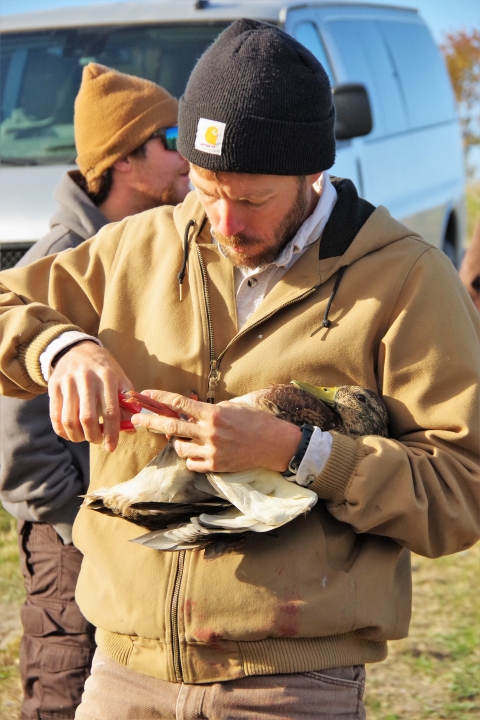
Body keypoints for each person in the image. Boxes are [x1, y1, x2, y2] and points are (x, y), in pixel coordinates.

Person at [0, 20, 478, 720]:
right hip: (122, 671)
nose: (224, 224)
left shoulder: (407, 279)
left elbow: (459, 493)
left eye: (252, 200)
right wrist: (63, 348)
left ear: (315, 172)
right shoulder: (136, 244)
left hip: (290, 686)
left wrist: (298, 452)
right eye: (204, 188)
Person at [0, 62, 189, 720]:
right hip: (72, 542)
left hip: (135, 528)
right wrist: (80, 523)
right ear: (125, 159)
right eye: (171, 137)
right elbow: (16, 442)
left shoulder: (160, 246)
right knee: (65, 688)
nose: (188, 151)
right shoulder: (56, 265)